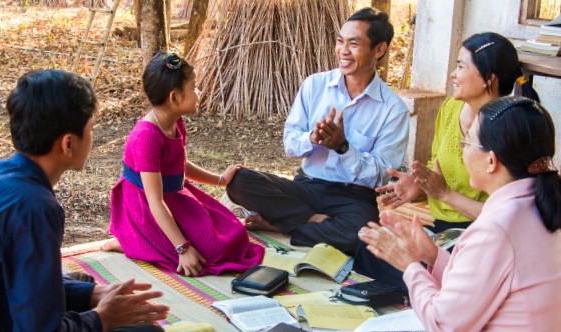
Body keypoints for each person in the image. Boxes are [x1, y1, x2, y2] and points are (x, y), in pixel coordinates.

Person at [0, 70, 169, 331]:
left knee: (80, 285)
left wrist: (91, 295)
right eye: (91, 129)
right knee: (148, 330)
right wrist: (102, 319)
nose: (93, 137)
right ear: (68, 143)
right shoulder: (34, 208)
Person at [353, 32, 541, 290]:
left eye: (462, 66)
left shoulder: (510, 130)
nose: (453, 73)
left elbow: (509, 216)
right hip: (445, 231)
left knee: (418, 266)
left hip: (488, 236)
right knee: (370, 245)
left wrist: (445, 194)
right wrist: (417, 187)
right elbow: (436, 169)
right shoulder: (450, 109)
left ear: (489, 79)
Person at [360, 96, 561, 331]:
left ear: (491, 161)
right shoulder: (540, 204)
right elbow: (481, 285)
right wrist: (433, 256)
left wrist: (408, 263)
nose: (462, 148)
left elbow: (443, 323)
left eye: (468, 142)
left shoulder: (496, 228)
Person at [226, 7, 410, 255]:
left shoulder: (393, 109)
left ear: (379, 49)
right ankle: (313, 221)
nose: (343, 51)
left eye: (353, 44)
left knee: (361, 234)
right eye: (340, 41)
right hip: (307, 187)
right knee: (239, 181)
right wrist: (312, 138)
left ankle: (279, 223)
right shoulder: (315, 85)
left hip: (353, 199)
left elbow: (379, 177)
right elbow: (290, 143)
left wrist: (342, 147)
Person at [102, 52, 264, 277]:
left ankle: (142, 241)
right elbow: (154, 201)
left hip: (174, 197)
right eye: (194, 87)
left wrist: (220, 180)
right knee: (212, 252)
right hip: (146, 208)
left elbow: (179, 164)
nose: (199, 93)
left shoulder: (174, 121)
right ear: (174, 98)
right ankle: (134, 239)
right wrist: (183, 248)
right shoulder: (146, 137)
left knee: (234, 233)